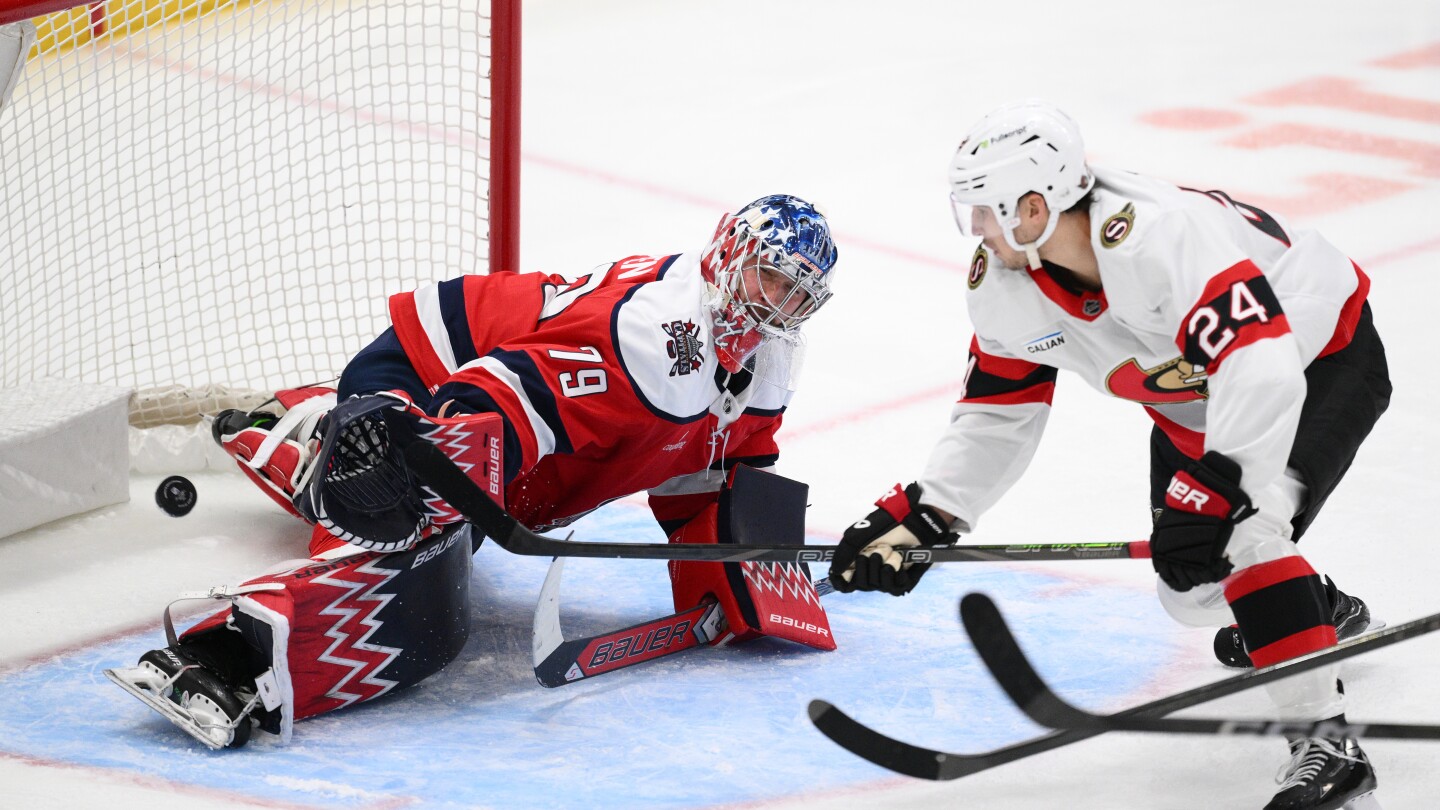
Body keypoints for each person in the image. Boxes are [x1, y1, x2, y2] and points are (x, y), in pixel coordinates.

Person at [106, 194, 842, 748]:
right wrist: (428, 483)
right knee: (413, 554)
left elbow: (716, 467)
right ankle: (224, 657)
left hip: (511, 441)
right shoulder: (654, 336)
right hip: (426, 375)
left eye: (798, 294)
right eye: (769, 278)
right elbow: (490, 396)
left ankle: (303, 428)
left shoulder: (767, 358)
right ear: (730, 255)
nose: (778, 305)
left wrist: (748, 574)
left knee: (440, 526)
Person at [828, 101, 1390, 810]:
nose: (975, 230)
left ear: (1033, 209)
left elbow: (1263, 365)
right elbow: (999, 413)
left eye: (983, 211)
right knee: (1189, 589)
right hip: (1198, 406)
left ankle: (1330, 748)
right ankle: (1309, 606)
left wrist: (1222, 488)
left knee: (1247, 530)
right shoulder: (1004, 283)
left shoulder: (1162, 236)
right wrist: (930, 512)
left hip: (1314, 362)